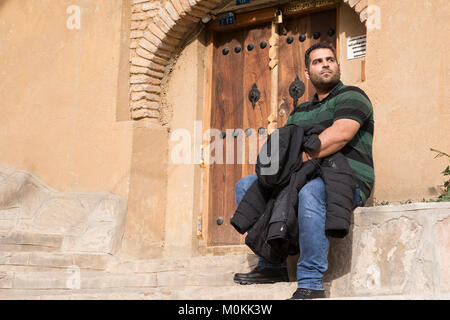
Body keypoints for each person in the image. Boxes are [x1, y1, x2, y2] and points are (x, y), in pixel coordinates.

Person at [233, 42, 374, 300]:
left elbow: (339, 136)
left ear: (338, 66)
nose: (325, 64)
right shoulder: (301, 111)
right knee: (245, 185)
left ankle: (311, 282)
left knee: (311, 192)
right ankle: (271, 265)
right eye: (318, 61)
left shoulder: (352, 96)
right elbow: (284, 146)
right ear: (308, 73)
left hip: (345, 180)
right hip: (301, 176)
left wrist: (296, 159)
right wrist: (282, 167)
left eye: (330, 60)